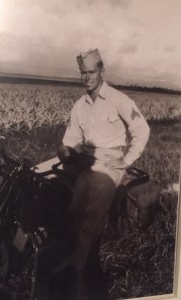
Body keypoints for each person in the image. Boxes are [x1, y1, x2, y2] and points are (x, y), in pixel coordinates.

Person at [56, 49, 150, 300]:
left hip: (110, 167)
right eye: (83, 73)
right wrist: (66, 149)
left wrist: (126, 160)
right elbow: (72, 139)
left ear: (102, 71)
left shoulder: (119, 99)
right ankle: (69, 256)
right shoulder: (80, 106)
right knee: (71, 208)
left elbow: (142, 130)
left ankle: (76, 273)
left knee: (92, 215)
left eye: (91, 72)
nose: (87, 77)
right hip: (85, 165)